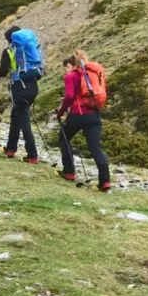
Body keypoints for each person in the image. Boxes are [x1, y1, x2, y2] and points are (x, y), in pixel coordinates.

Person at [57, 48, 111, 192]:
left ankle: (69, 172)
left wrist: (61, 112)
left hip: (78, 113)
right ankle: (105, 181)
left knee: (63, 137)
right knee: (95, 148)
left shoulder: (71, 76)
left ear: (72, 64)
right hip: (94, 114)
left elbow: (69, 97)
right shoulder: (89, 74)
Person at [0, 23, 44, 163]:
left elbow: (2, 72)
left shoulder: (9, 51)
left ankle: (32, 155)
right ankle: (10, 148)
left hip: (19, 87)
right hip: (33, 86)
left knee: (24, 121)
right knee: (16, 115)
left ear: (10, 39)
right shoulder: (29, 48)